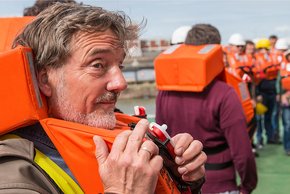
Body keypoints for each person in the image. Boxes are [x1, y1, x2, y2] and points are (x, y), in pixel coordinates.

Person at [0, 3, 206, 194]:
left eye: (120, 65)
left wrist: (181, 180)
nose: (121, 83)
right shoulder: (13, 175)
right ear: (45, 79)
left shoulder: (115, 130)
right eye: (97, 65)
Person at [155, 23, 257, 194]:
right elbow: (243, 152)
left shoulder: (164, 93)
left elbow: (161, 142)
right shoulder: (224, 93)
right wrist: (247, 186)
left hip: (180, 185)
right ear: (216, 50)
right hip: (221, 184)